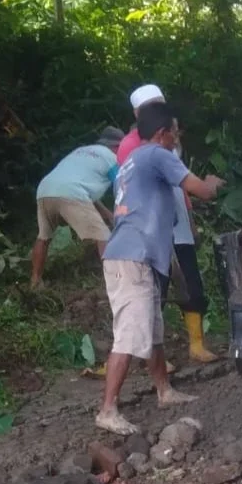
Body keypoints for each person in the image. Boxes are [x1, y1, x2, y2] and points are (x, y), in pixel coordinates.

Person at [96, 102, 225, 436]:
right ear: (162, 132)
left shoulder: (132, 161)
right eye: (175, 131)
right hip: (133, 257)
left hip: (136, 255)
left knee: (152, 331)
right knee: (129, 334)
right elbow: (202, 191)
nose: (176, 137)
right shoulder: (157, 154)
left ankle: (164, 390)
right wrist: (212, 181)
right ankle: (108, 409)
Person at [120, 84, 217, 363]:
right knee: (155, 290)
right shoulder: (131, 145)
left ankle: (196, 345)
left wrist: (189, 219)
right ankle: (151, 354)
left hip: (177, 224)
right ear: (138, 113)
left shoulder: (170, 141)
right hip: (151, 228)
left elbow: (180, 185)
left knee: (190, 282)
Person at [30, 126, 125, 288]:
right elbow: (123, 188)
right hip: (72, 193)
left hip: (45, 190)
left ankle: (35, 281)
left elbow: (83, 190)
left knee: (44, 237)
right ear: (117, 147)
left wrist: (108, 215)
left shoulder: (81, 151)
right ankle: (115, 281)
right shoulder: (113, 158)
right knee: (103, 236)